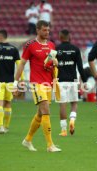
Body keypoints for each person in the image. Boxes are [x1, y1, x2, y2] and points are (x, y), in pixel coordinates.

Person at [14, 20, 61, 152]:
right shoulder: (30, 45)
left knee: (40, 115)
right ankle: (50, 145)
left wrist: (55, 62)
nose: (47, 32)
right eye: (44, 30)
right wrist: (16, 83)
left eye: (48, 30)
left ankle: (27, 140)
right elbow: (22, 63)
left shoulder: (51, 45)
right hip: (36, 83)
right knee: (46, 110)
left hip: (48, 83)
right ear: (38, 30)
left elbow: (52, 63)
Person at [0, 29, 21, 134]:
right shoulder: (14, 49)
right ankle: (6, 127)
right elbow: (19, 66)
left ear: (1, 37)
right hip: (10, 82)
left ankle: (0, 126)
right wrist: (20, 80)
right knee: (8, 104)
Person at [55, 29, 87, 136]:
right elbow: (80, 67)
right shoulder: (75, 49)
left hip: (60, 81)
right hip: (73, 80)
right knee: (74, 103)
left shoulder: (56, 49)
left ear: (60, 37)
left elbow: (51, 65)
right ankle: (72, 120)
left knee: (62, 105)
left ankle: (63, 130)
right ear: (69, 36)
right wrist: (85, 80)